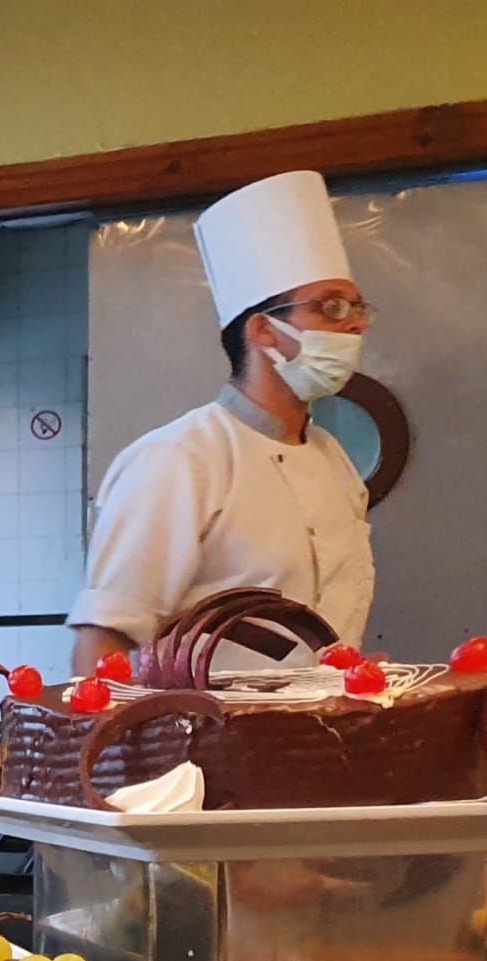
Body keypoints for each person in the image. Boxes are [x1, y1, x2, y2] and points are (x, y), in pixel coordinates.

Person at [68, 170, 374, 675]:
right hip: (201, 726)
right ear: (263, 330)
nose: (356, 323)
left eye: (358, 308)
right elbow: (102, 646)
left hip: (324, 723)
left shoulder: (332, 460)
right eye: (332, 307)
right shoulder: (179, 459)